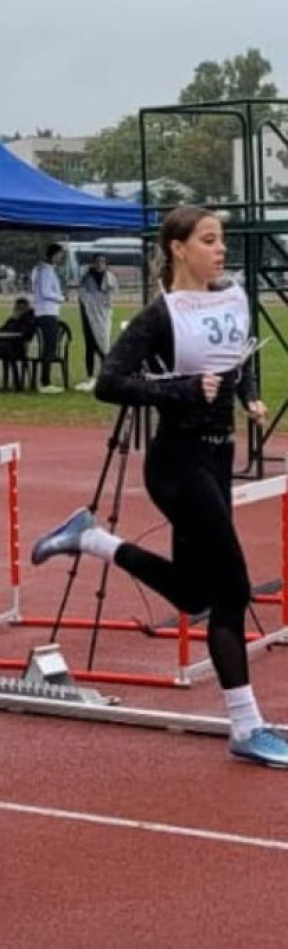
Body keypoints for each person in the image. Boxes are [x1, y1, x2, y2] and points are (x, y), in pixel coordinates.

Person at [30, 205, 288, 768]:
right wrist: (183, 389)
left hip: (219, 458)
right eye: (209, 240)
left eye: (222, 241)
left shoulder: (233, 297)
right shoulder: (159, 315)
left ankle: (91, 539)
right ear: (178, 248)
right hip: (176, 463)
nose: (221, 250)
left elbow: (235, 361)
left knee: (194, 595)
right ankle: (245, 726)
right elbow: (109, 383)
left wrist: (245, 398)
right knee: (233, 590)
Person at [75, 254, 116, 391]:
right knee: (90, 345)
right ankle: (91, 376)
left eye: (103, 261)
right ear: (93, 263)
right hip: (89, 316)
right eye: (97, 261)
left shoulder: (109, 277)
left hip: (104, 316)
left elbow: (112, 295)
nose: (100, 264)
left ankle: (105, 376)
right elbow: (82, 295)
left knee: (104, 345)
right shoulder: (86, 277)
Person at [30, 243, 66, 393]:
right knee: (49, 348)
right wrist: (61, 298)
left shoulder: (41, 269)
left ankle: (45, 380)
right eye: (60, 254)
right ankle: (45, 382)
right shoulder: (46, 270)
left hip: (44, 311)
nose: (61, 257)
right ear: (54, 254)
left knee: (49, 347)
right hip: (47, 312)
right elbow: (45, 291)